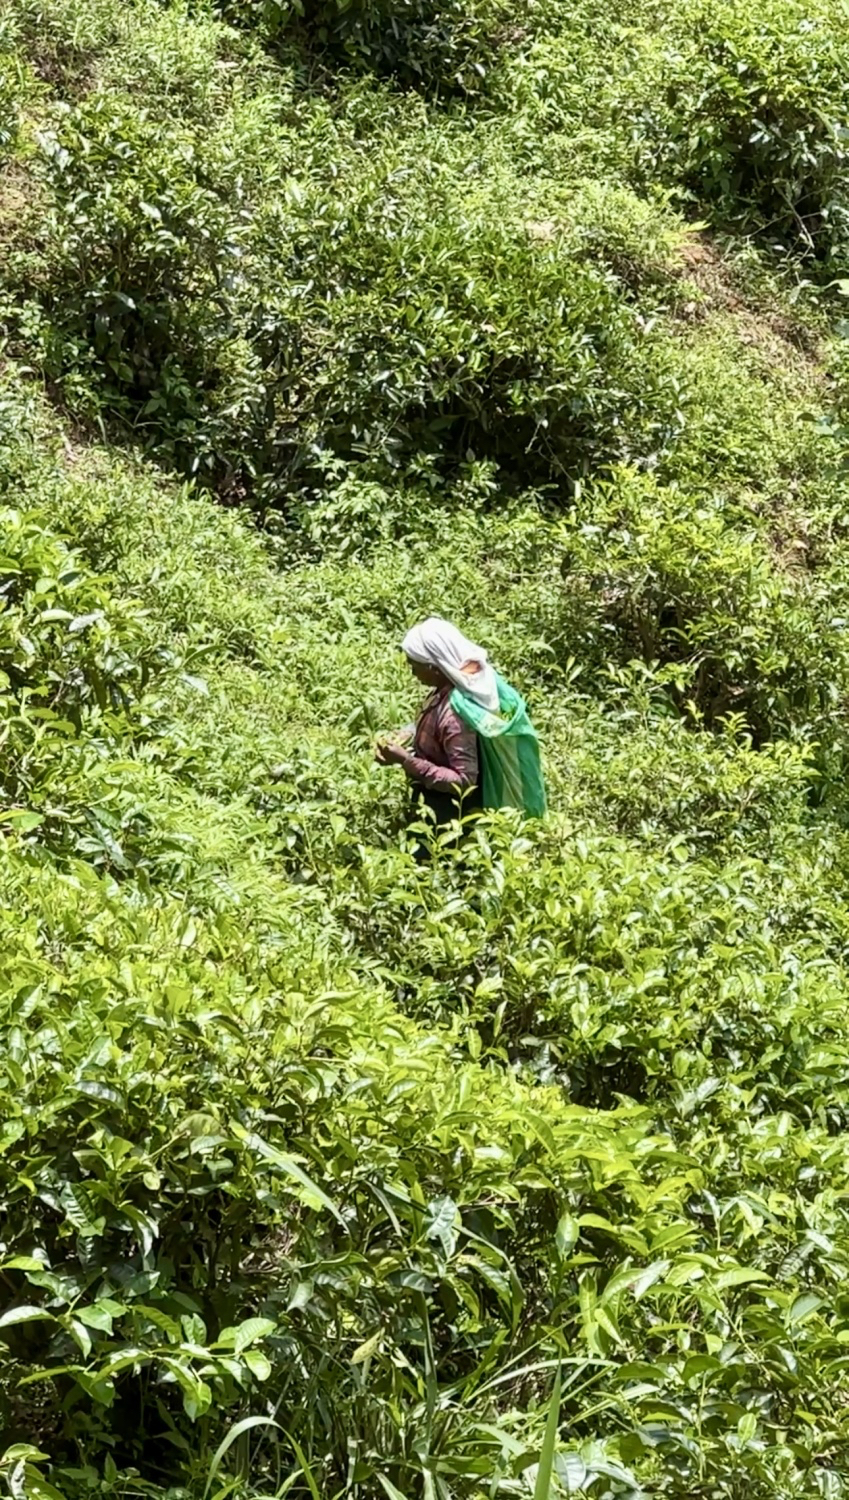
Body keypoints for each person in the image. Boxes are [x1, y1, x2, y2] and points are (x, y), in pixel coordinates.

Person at [375, 618, 494, 841]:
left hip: (451, 817)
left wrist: (405, 761)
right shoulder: (445, 686)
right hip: (432, 800)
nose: (412, 673)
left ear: (433, 668)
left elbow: (464, 780)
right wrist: (408, 733)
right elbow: (431, 720)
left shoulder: (455, 716)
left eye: (414, 666)